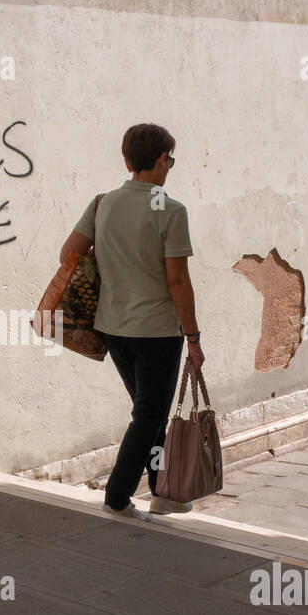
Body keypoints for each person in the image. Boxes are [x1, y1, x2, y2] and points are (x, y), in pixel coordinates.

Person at [57, 123, 204, 518]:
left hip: (112, 328)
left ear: (127, 161)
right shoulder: (171, 211)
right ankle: (117, 498)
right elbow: (177, 280)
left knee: (149, 411)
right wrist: (193, 337)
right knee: (149, 414)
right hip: (157, 331)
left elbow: (68, 255)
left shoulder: (102, 203)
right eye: (170, 159)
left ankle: (164, 492)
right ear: (161, 160)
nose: (170, 166)